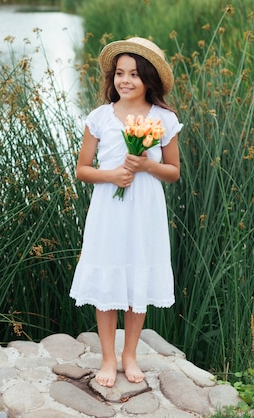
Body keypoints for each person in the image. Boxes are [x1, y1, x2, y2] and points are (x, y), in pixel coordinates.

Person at [69, 37, 182, 388]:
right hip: (108, 209)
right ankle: (107, 357)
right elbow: (83, 169)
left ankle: (129, 354)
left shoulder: (163, 118)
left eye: (134, 74)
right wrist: (112, 175)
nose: (126, 80)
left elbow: (174, 171)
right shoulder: (100, 117)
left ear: (149, 79)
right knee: (108, 278)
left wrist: (148, 166)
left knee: (138, 274)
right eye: (120, 73)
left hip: (145, 208)